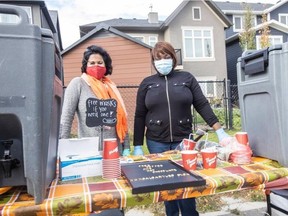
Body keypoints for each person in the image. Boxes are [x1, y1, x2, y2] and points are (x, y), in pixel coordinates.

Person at [133, 41, 230, 216]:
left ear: (173, 58)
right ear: (153, 61)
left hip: (184, 140)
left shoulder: (187, 78)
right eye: (158, 58)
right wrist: (137, 145)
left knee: (187, 184)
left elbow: (202, 104)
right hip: (156, 142)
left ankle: (190, 214)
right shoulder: (147, 83)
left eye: (166, 57)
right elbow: (139, 115)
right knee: (167, 187)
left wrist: (219, 130)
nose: (162, 61)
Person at [60, 45, 130, 156]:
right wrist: (62, 148)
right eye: (92, 63)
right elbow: (66, 117)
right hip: (88, 151)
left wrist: (126, 147)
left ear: (106, 65)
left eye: (100, 62)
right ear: (85, 65)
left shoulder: (111, 87)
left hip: (114, 150)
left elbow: (121, 118)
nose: (96, 65)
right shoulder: (78, 84)